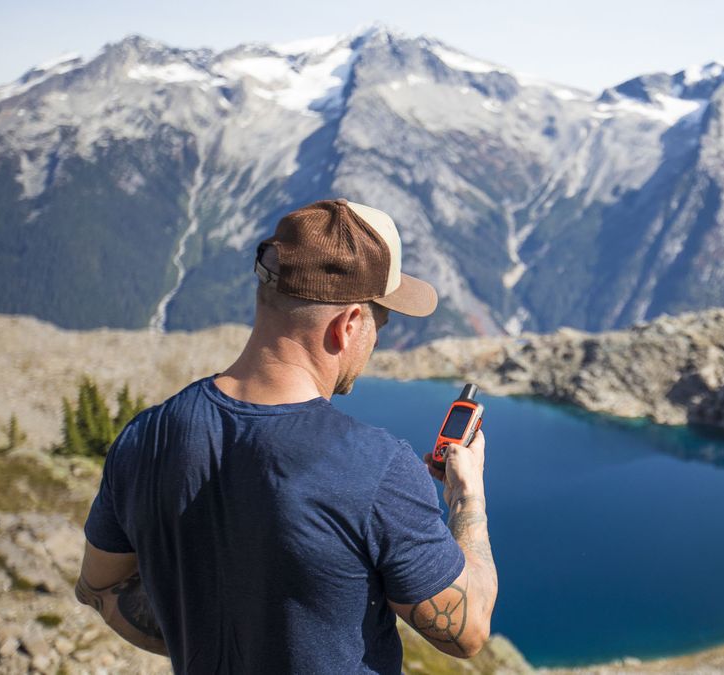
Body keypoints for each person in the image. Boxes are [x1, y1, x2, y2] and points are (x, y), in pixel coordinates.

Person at [74, 198, 497, 673]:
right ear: (348, 324)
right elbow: (469, 630)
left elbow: (100, 591)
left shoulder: (144, 437)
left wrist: (209, 635)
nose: (376, 340)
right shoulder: (375, 468)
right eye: (380, 322)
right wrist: (466, 497)